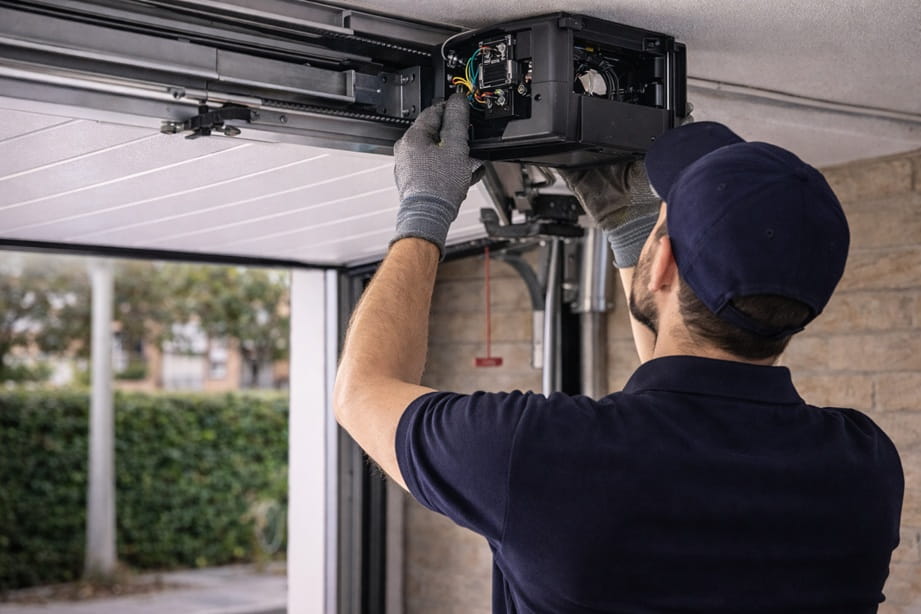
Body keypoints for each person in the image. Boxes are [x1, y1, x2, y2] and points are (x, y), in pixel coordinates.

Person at [333, 92, 904, 613]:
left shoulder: (535, 452)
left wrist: (424, 212)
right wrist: (635, 235)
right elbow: (670, 433)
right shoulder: (861, 469)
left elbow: (360, 392)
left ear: (662, 267)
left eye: (662, 220)